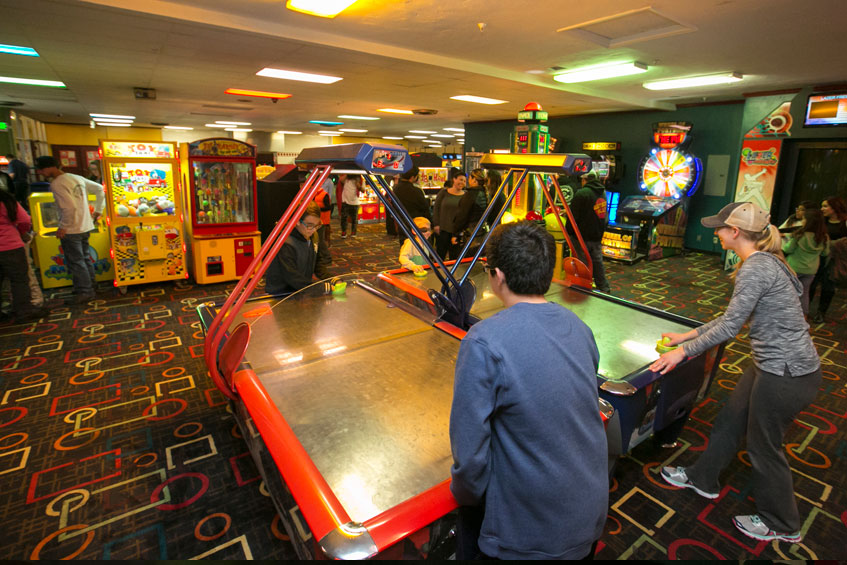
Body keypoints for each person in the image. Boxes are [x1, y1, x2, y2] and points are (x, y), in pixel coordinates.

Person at [652, 201, 820, 543]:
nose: (716, 233)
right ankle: (703, 479)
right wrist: (688, 334)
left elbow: (730, 328)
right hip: (770, 365)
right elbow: (734, 318)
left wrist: (682, 352)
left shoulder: (757, 267)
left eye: (721, 228)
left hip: (787, 373)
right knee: (731, 419)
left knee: (764, 448)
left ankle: (784, 524)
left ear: (736, 232)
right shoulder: (765, 260)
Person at [449, 220, 607, 560]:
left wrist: (465, 496)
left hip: (529, 534)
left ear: (497, 277)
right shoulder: (580, 329)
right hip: (588, 514)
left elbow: (470, 459)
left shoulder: (484, 341)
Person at [34, 155, 105, 303]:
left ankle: (85, 291)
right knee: (84, 258)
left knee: (77, 261)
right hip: (85, 225)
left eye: (41, 169)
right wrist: (98, 209)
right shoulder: (75, 177)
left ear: (49, 167)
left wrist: (63, 227)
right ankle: (90, 286)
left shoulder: (57, 184)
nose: (40, 172)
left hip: (72, 228)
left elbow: (69, 207)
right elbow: (99, 189)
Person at [0, 187, 45, 322]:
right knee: (19, 280)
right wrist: (22, 232)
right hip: (11, 246)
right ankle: (23, 311)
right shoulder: (7, 200)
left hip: (10, 246)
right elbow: (25, 220)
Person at [567, 169, 610, 293]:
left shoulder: (581, 193)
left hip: (581, 236)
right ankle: (604, 289)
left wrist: (570, 232)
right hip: (596, 235)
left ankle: (584, 290)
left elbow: (573, 218)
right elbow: (604, 217)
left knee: (583, 265)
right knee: (597, 264)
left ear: (584, 179)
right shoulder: (602, 192)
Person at [265, 202, 322, 294]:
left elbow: (319, 263)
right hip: (281, 293)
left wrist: (331, 279)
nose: (313, 230)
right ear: (297, 221)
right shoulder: (285, 242)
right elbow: (292, 276)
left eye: (316, 225)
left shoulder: (313, 235)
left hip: (301, 288)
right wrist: (317, 287)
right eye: (309, 225)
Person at [782, 207, 829, 315]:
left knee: (787, 292)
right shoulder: (823, 237)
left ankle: (785, 314)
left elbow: (788, 249)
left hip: (793, 267)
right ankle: (803, 315)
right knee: (804, 293)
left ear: (808, 221)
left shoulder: (800, 234)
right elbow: (825, 253)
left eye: (804, 219)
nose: (802, 221)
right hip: (811, 270)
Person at [809, 196, 847, 323]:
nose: (822, 209)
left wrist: (831, 244)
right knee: (811, 283)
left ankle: (821, 312)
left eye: (825, 206)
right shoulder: (821, 221)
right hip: (817, 256)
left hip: (834, 260)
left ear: (835, 207)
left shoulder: (844, 223)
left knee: (828, 286)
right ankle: (805, 309)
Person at [432, 171, 467, 260]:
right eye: (460, 180)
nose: (462, 182)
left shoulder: (466, 195)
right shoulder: (443, 193)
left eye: (464, 181)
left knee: (455, 256)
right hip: (443, 229)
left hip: (457, 231)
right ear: (454, 180)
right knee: (440, 255)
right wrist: (436, 224)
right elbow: (436, 208)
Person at [393, 166, 431, 242]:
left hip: (402, 220)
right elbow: (425, 207)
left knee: (404, 244)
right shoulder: (416, 190)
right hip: (416, 222)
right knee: (418, 245)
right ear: (413, 177)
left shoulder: (396, 188)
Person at [312, 181, 333, 279]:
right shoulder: (314, 195)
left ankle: (327, 257)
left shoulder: (324, 195)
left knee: (320, 242)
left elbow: (329, 207)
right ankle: (326, 257)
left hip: (322, 220)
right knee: (318, 242)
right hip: (317, 220)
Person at [338, 174, 361, 238]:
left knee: (354, 219)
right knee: (344, 218)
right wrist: (348, 173)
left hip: (355, 202)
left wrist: (357, 182)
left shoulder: (358, 179)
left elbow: (362, 189)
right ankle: (344, 232)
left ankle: (353, 232)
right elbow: (341, 180)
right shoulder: (346, 179)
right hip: (345, 201)